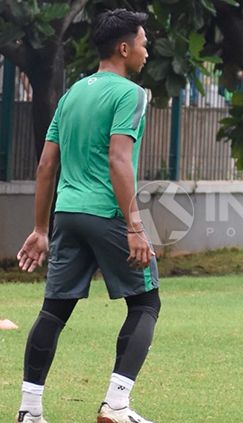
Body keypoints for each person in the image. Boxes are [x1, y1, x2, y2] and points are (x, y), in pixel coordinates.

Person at [15, 9, 158, 423]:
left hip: (67, 214)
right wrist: (134, 225)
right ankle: (116, 404)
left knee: (54, 310)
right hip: (105, 213)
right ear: (125, 47)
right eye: (144, 43)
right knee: (146, 302)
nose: (147, 52)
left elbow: (45, 166)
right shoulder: (131, 94)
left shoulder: (72, 93)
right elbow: (119, 159)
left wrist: (41, 228)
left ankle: (30, 411)